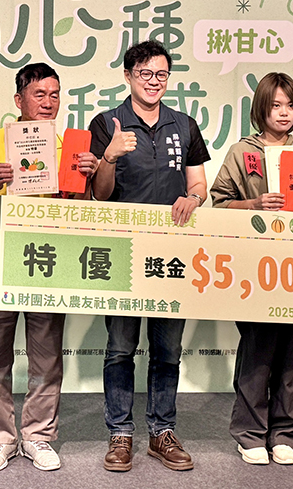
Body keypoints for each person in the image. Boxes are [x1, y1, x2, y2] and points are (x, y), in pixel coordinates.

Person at [0, 63, 95, 472]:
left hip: (48, 256)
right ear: (19, 100)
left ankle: (38, 436)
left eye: (55, 95)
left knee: (47, 354)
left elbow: (80, 211)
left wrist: (86, 178)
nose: (48, 102)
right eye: (39, 95)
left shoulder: (70, 147)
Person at [88, 40, 210, 472]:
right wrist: (109, 156)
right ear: (128, 76)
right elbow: (100, 195)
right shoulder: (107, 123)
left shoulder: (185, 125)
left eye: (161, 74)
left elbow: (199, 185)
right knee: (120, 348)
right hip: (123, 252)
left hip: (172, 253)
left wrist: (194, 199)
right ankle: (120, 433)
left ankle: (162, 431)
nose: (153, 82)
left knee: (168, 349)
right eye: (144, 74)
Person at [209, 73, 293, 466]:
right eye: (276, 105)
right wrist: (255, 204)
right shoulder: (242, 152)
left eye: (291, 105)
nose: (284, 113)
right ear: (261, 108)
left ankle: (284, 434)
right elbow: (218, 204)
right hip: (256, 264)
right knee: (258, 351)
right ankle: (249, 434)